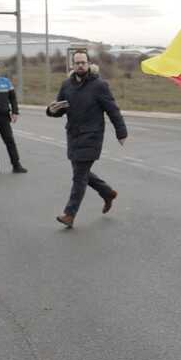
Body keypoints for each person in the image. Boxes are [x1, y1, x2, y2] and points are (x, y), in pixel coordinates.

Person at [46, 51, 127, 228]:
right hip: (73, 135)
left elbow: (112, 110)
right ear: (72, 65)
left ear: (89, 64)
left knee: (79, 176)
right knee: (81, 173)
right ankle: (107, 192)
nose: (80, 65)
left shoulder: (99, 85)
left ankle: (69, 214)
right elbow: (60, 108)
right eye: (77, 63)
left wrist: (121, 132)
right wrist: (52, 110)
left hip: (92, 136)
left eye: (83, 62)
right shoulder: (66, 85)